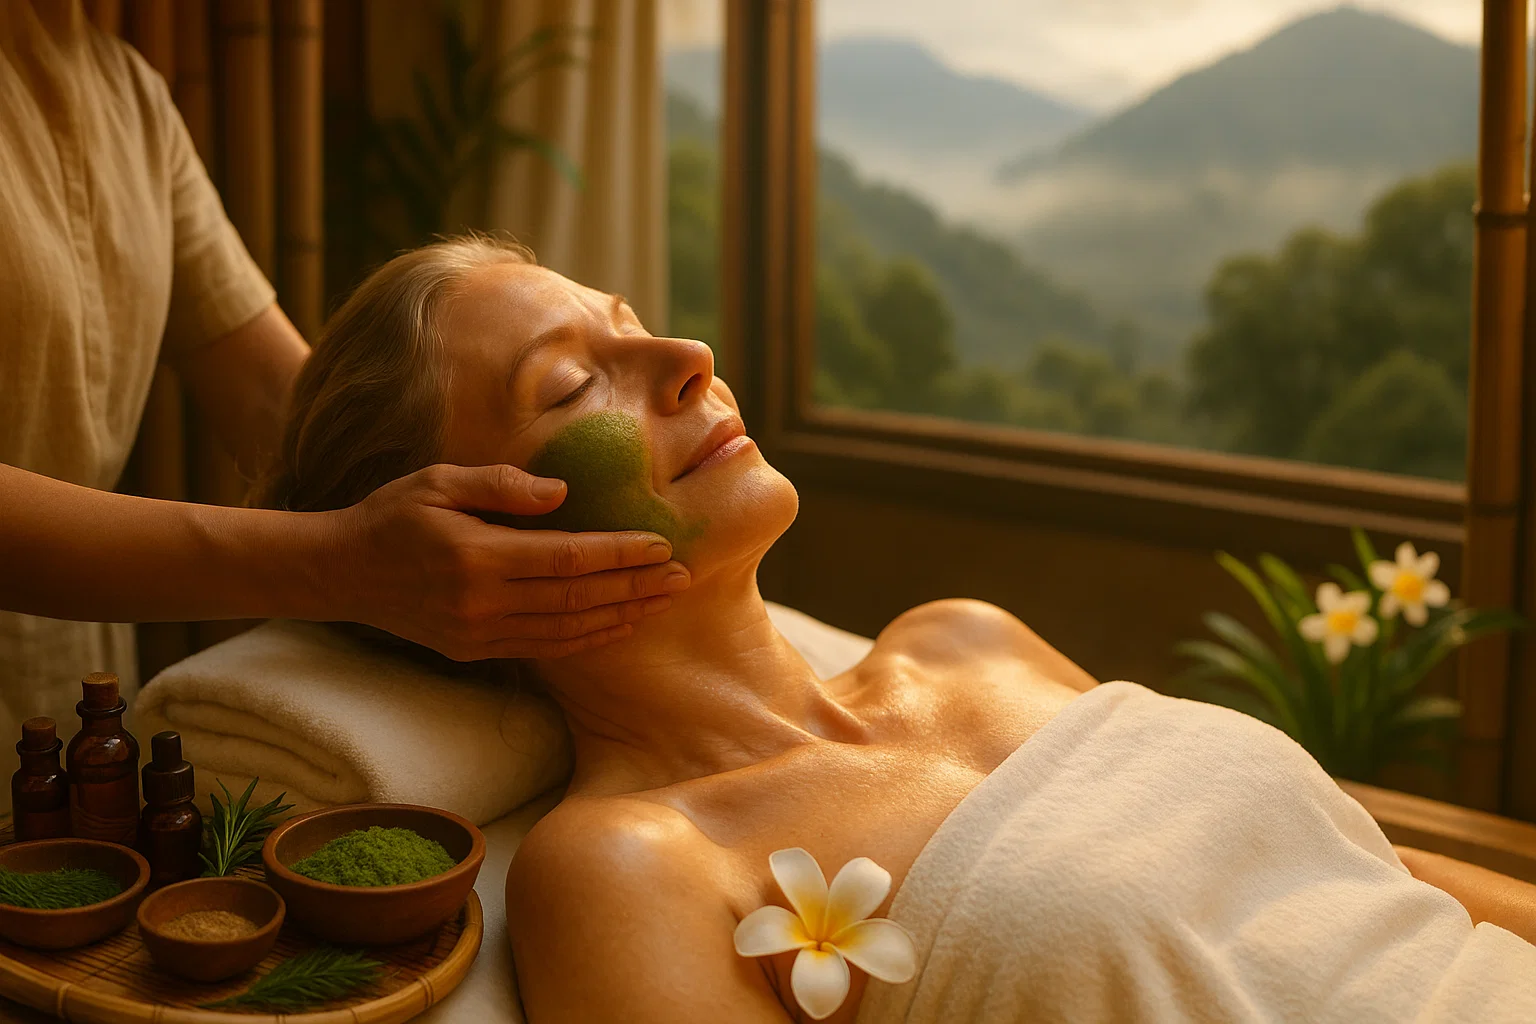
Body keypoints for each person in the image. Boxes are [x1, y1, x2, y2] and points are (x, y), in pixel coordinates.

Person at [260, 234, 1536, 1023]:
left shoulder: (967, 639)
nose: (691, 354)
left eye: (637, 321)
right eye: (574, 384)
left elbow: (1379, 875)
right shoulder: (636, 864)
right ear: (460, 554)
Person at [0, 0, 688, 805]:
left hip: (68, 697)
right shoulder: (608, 861)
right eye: (568, 388)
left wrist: (447, 545)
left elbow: (280, 404)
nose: (694, 358)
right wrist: (343, 564)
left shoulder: (116, 88)